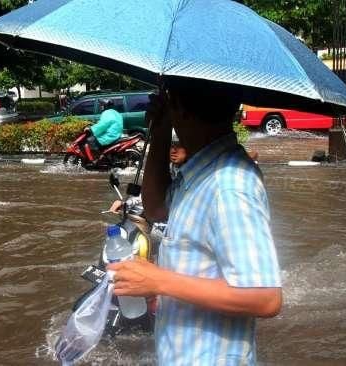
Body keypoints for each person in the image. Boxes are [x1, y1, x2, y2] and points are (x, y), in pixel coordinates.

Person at [108, 86, 282, 365]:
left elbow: (265, 297)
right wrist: (161, 131)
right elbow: (155, 208)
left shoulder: (229, 185)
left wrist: (159, 280)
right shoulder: (202, 171)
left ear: (179, 106)